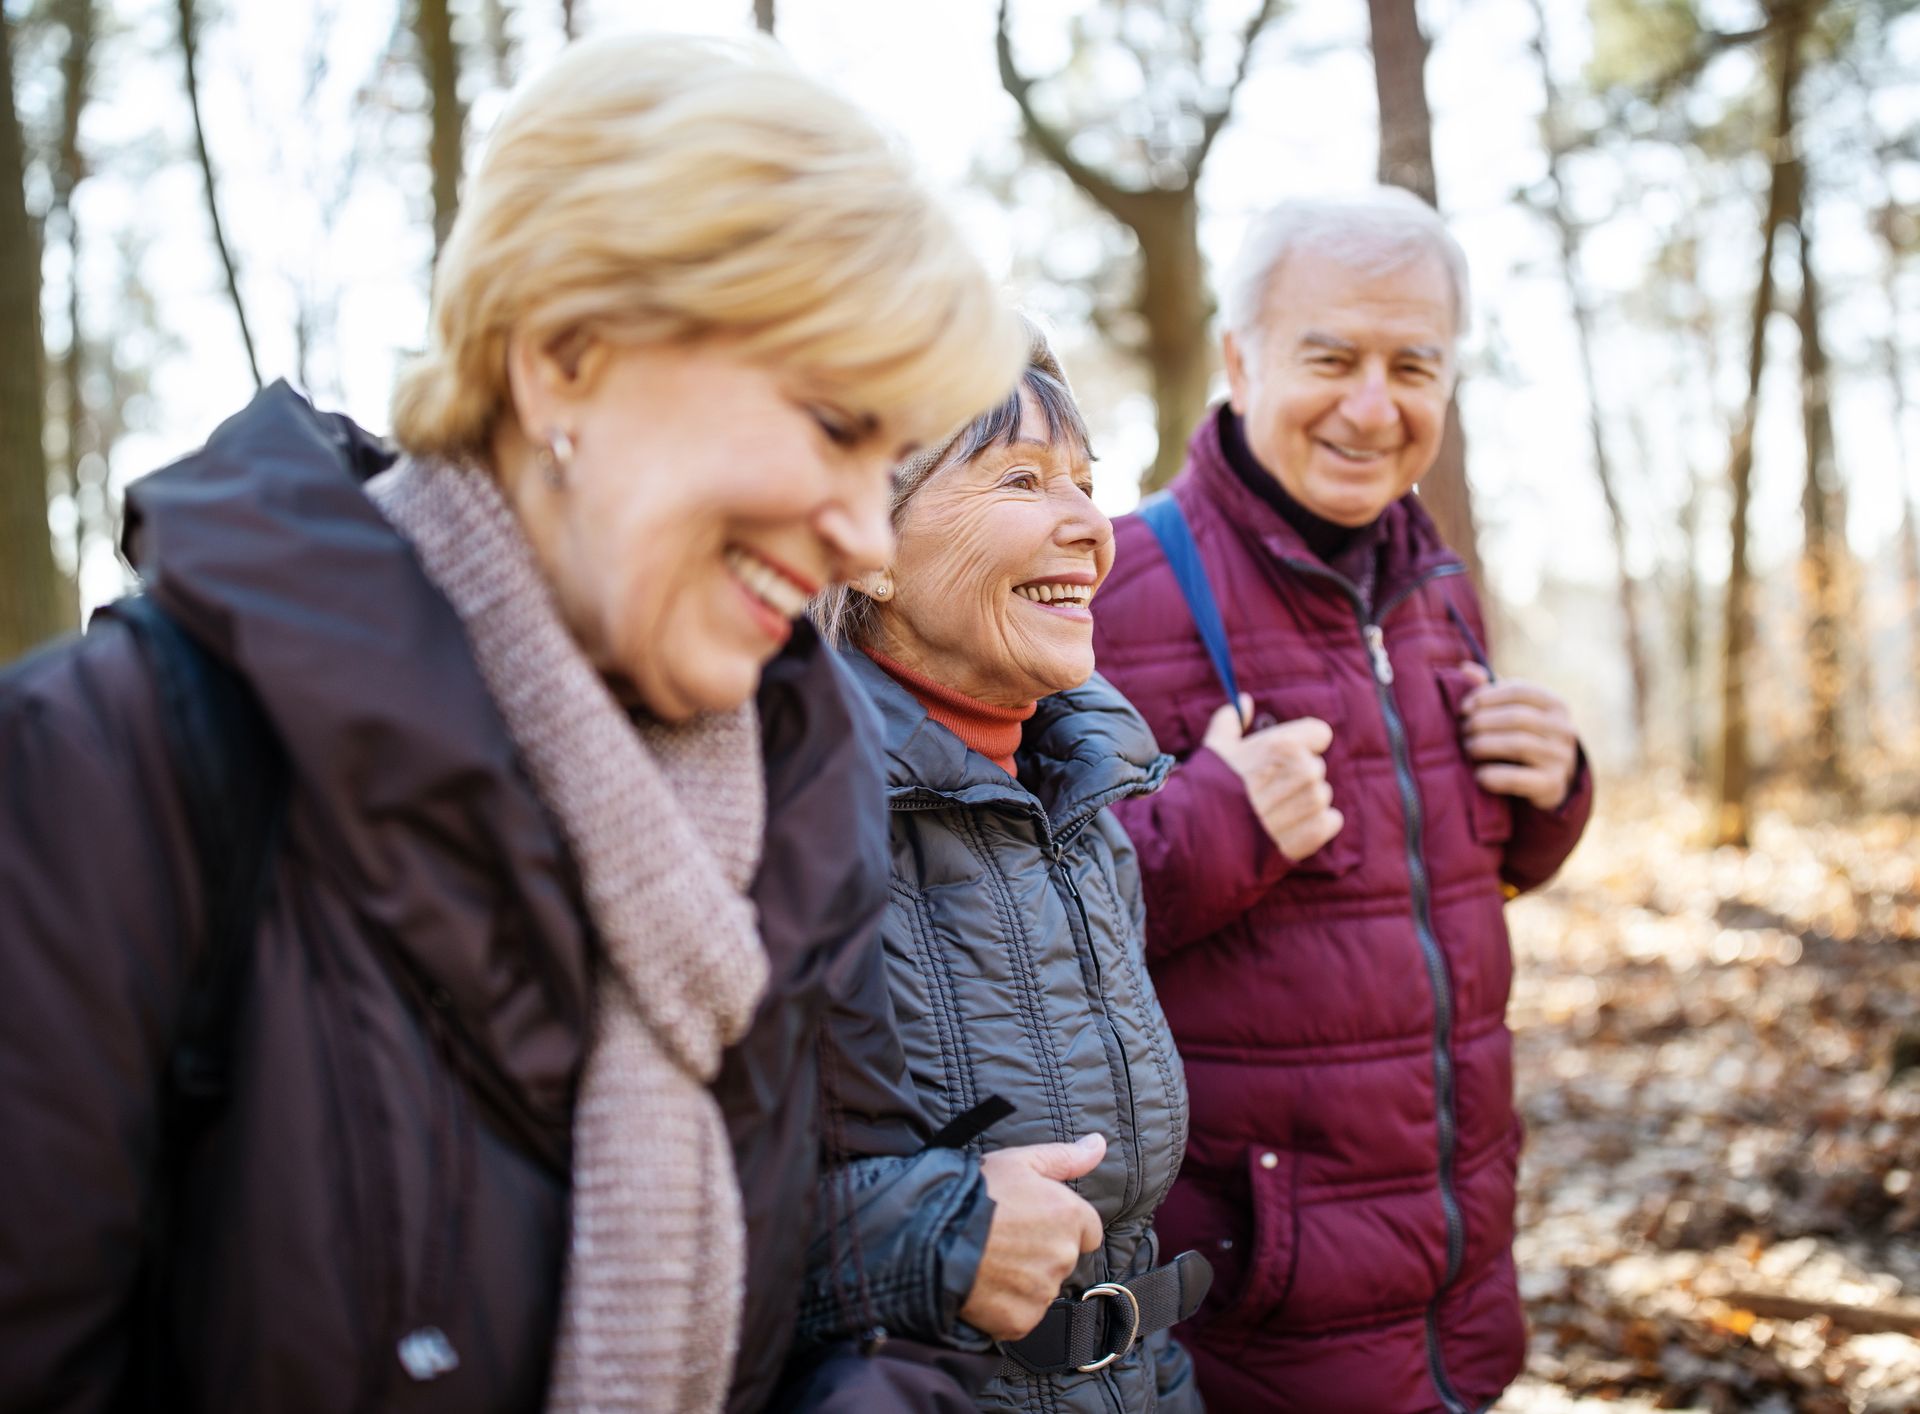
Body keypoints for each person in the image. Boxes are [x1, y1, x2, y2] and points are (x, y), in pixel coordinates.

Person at [0, 35, 1026, 1414]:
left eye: (885, 459)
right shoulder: (108, 766)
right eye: (832, 423)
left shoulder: (806, 770)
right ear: (562, 359)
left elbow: (861, 1276)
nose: (861, 536)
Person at [1089, 190, 1594, 1414]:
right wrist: (1218, 822)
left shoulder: (1434, 589)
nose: (1376, 407)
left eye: (1414, 364)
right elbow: (1015, 939)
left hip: (1460, 1300)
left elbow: (1425, 879)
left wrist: (1551, 799)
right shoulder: (1107, 590)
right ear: (1238, 357)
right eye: (1333, 358)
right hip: (1255, 1331)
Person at [797, 323, 1209, 1413]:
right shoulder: (781, 810)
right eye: (1022, 480)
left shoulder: (1083, 792)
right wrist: (928, 1237)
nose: (1090, 526)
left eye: (1088, 482)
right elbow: (657, 1216)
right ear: (867, 545)